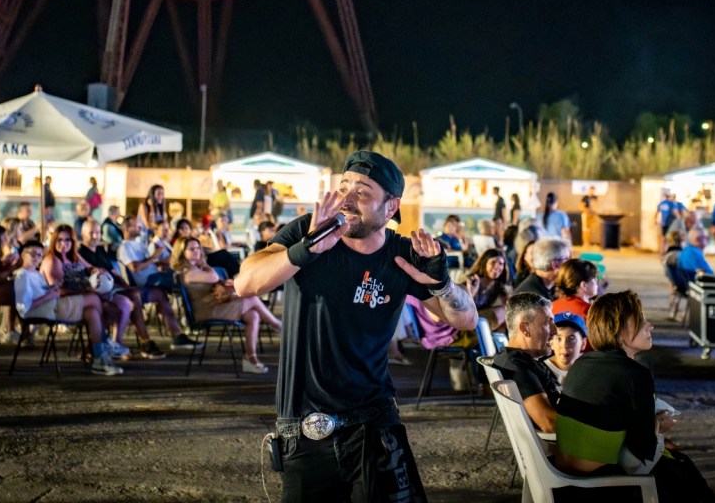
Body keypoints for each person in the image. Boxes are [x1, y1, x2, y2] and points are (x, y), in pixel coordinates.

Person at [233, 149, 478, 501]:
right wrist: (308, 249)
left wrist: (442, 283)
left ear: (390, 207)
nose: (347, 199)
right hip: (305, 427)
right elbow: (246, 284)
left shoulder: (401, 254)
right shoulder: (309, 230)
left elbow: (465, 319)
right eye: (343, 186)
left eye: (362, 192)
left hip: (374, 423)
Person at [555, 290, 715, 503]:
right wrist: (660, 422)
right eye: (641, 320)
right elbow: (643, 449)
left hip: (566, 478)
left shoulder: (581, 364)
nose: (650, 325)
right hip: (600, 485)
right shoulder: (635, 374)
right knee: (681, 471)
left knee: (679, 468)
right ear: (620, 329)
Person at [171, 235, 282, 373]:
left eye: (198, 248)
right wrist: (206, 265)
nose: (196, 251)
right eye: (191, 249)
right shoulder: (188, 272)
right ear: (182, 252)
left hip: (215, 305)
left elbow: (213, 281)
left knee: (253, 315)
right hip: (206, 311)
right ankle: (277, 325)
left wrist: (224, 282)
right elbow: (213, 277)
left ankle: (251, 358)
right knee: (251, 298)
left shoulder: (197, 268)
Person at [14, 237, 123, 376]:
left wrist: (52, 288)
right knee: (94, 298)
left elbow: (42, 293)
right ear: (23, 254)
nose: (37, 258)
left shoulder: (35, 274)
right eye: (33, 254)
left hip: (53, 305)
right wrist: (50, 295)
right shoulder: (22, 275)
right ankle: (105, 342)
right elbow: (24, 308)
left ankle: (99, 358)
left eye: (40, 255)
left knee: (92, 312)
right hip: (46, 310)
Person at [77, 217, 166, 359]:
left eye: (98, 232)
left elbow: (113, 272)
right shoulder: (80, 253)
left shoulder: (100, 250)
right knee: (132, 299)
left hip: (112, 287)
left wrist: (126, 286)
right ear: (83, 234)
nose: (96, 236)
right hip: (96, 292)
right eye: (92, 232)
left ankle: (123, 343)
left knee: (136, 294)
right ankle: (142, 342)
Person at [116, 215, 200, 351]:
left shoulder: (138, 244)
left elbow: (150, 263)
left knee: (166, 291)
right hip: (147, 281)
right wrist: (155, 256)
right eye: (136, 225)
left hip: (154, 277)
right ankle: (194, 320)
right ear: (127, 228)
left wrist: (161, 262)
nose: (140, 227)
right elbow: (135, 268)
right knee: (184, 279)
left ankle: (177, 335)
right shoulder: (125, 247)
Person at [490, 292, 561, 432]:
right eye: (548, 322)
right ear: (525, 329)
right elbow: (548, 422)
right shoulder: (516, 365)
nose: (555, 330)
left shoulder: (516, 359)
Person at [462, 247, 511, 332]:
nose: (497, 267)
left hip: (480, 319)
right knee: (502, 312)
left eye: (501, 264)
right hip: (465, 319)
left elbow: (509, 305)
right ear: (484, 263)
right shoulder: (472, 280)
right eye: (493, 262)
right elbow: (461, 307)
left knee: (507, 313)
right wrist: (471, 291)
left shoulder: (497, 285)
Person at [544, 311, 588, 384]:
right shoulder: (542, 370)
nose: (564, 345)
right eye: (559, 339)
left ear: (583, 343)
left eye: (572, 339)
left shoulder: (590, 368)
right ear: (550, 342)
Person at [510, 222, 544, 288]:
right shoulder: (520, 278)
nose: (536, 256)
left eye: (538, 253)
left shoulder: (545, 276)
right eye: (532, 253)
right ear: (525, 257)